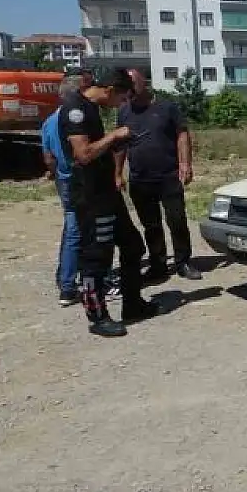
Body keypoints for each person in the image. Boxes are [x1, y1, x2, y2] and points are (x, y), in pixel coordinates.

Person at [59, 67, 160, 337]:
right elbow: (83, 154)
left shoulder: (92, 109)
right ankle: (98, 316)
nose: (122, 104)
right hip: (91, 196)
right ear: (110, 90)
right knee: (96, 257)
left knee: (133, 245)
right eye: (122, 98)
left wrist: (118, 144)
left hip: (107, 193)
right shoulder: (75, 109)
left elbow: (97, 148)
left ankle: (133, 303)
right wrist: (115, 136)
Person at [115, 69, 201, 283]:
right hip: (140, 179)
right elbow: (120, 145)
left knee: (177, 220)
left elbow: (182, 134)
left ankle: (183, 262)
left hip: (168, 176)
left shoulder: (167, 107)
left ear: (143, 82)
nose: (130, 89)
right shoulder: (124, 111)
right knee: (151, 225)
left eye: (133, 83)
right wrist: (117, 173)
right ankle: (158, 264)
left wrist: (185, 163)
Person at [41, 70, 86, 306]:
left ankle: (64, 277)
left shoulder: (49, 121)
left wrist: (56, 172)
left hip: (63, 179)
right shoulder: (75, 118)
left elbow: (48, 156)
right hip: (78, 180)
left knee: (71, 227)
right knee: (78, 230)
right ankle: (69, 286)